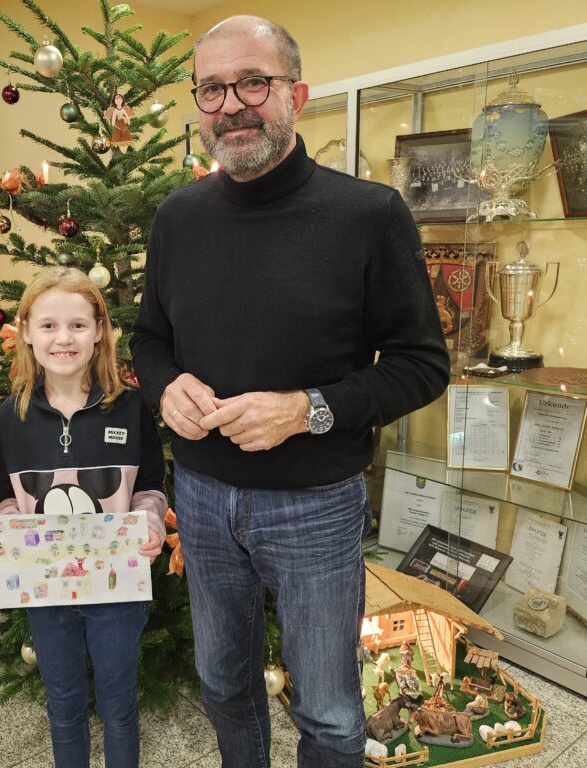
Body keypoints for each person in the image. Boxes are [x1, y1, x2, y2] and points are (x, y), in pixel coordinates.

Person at [130, 15, 449, 768]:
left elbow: (421, 363)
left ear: (297, 95)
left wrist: (308, 410)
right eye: (212, 88)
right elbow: (149, 341)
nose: (231, 105)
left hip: (318, 504)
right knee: (222, 682)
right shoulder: (177, 218)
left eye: (253, 82)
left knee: (331, 712)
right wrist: (165, 386)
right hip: (203, 499)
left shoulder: (369, 216)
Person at [0, 267, 166, 768]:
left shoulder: (130, 409)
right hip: (47, 593)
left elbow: (151, 487)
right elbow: (8, 499)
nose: (64, 339)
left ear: (100, 329)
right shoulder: (11, 416)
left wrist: (148, 521)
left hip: (117, 592)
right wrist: (1, 533)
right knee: (63, 707)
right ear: (26, 332)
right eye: (48, 326)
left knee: (119, 706)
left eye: (78, 325)